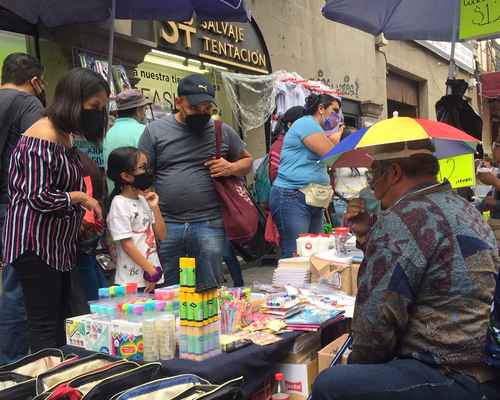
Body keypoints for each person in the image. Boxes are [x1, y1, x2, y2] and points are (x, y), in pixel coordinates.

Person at [312, 140, 500, 400]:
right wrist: (372, 232)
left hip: (448, 373)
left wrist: (355, 367)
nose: (371, 185)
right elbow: (430, 246)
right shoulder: (464, 208)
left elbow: (374, 331)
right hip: (482, 365)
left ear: (394, 173)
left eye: (373, 174)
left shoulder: (402, 219)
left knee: (331, 385)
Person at [2, 68, 107, 352]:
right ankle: (42, 385)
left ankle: (57, 377)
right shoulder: (41, 136)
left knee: (61, 320)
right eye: (94, 107)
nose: (99, 113)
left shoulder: (65, 136)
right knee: (43, 325)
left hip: (56, 245)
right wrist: (80, 198)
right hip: (34, 244)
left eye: (102, 108)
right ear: (74, 101)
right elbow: (38, 197)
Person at [139, 74, 252, 291]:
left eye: (207, 107)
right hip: (168, 223)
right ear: (178, 102)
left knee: (209, 287)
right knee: (169, 289)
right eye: (194, 107)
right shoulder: (155, 131)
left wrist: (230, 167)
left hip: (209, 222)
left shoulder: (221, 130)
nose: (202, 112)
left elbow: (247, 161)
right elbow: (143, 173)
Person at [0, 53, 46, 363]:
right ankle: (11, 364)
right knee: (18, 284)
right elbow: (38, 155)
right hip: (16, 204)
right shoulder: (29, 104)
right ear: (34, 80)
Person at [269, 94, 342, 258]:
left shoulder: (316, 129)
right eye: (335, 110)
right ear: (321, 109)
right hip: (292, 196)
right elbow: (331, 156)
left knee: (313, 252)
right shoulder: (307, 124)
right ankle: (291, 284)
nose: (337, 116)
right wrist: (336, 141)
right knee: (297, 253)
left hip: (310, 197)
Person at [106, 147, 166, 292]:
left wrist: (155, 208)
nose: (147, 171)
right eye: (142, 167)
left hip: (153, 275)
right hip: (132, 281)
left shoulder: (143, 199)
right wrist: (151, 271)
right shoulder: (119, 204)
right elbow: (127, 245)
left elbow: (162, 235)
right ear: (126, 176)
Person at [103, 89, 152, 191]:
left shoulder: (109, 133)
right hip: (137, 196)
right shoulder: (144, 131)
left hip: (114, 195)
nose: (144, 113)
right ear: (138, 110)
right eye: (144, 109)